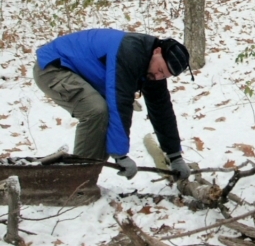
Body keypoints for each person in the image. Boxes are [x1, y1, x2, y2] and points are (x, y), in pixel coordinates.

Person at [33, 28, 193, 180]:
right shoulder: (130, 52)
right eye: (160, 70)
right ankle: (76, 180)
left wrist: (175, 156)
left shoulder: (152, 68)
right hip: (53, 67)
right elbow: (120, 102)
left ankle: (85, 179)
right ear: (157, 51)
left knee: (104, 117)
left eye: (164, 75)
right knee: (96, 110)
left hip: (76, 72)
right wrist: (120, 154)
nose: (158, 76)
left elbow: (162, 111)